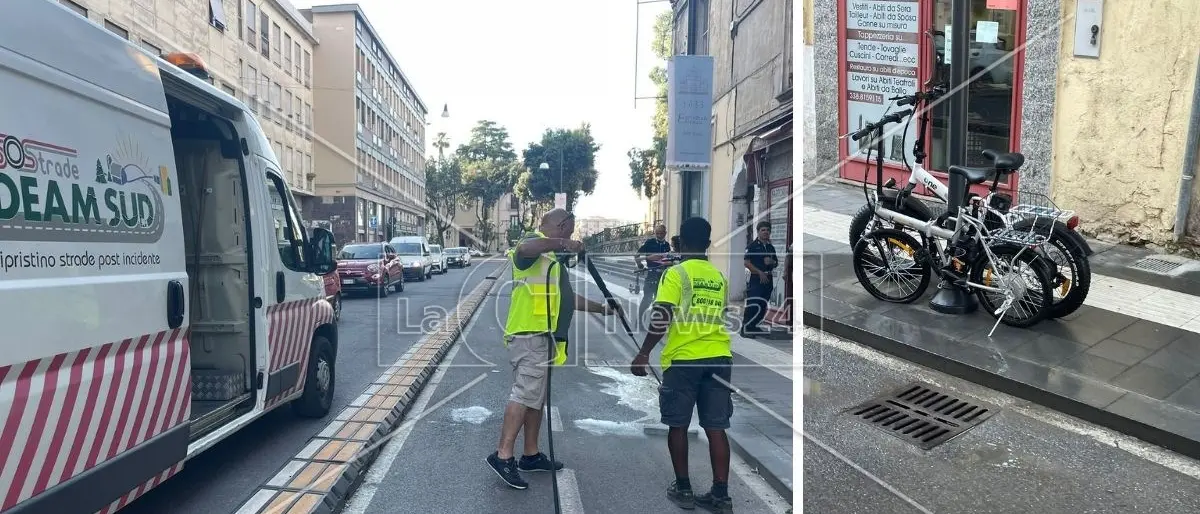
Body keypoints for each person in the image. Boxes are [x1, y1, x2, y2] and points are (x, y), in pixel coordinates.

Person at [486, 208, 614, 490]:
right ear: (562, 225)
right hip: (529, 334)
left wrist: (603, 309)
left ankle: (530, 455)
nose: (571, 235)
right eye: (570, 230)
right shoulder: (531, 245)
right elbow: (524, 249)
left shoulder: (551, 262)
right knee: (524, 394)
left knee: (535, 398)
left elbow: (568, 298)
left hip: (544, 339)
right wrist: (563, 244)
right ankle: (502, 456)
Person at [630, 217, 735, 513]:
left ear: (681, 244)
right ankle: (721, 496)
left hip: (684, 360)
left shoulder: (676, 274)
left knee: (678, 425)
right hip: (719, 359)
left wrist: (643, 353)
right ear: (708, 244)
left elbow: (662, 315)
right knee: (716, 428)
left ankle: (684, 489)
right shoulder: (719, 277)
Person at [742, 221, 778, 338]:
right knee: (753, 303)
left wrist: (772, 262)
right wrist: (759, 272)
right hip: (756, 278)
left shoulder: (770, 247)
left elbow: (776, 263)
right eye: (763, 230)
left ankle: (754, 326)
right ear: (758, 232)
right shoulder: (752, 246)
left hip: (768, 279)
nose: (766, 232)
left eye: (768, 230)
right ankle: (745, 329)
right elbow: (747, 263)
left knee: (763, 304)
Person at [634, 224, 673, 327]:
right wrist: (640, 265)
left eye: (661, 233)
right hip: (651, 275)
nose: (659, 235)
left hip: (662, 276)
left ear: (665, 233)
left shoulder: (667, 245)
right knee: (647, 299)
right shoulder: (649, 243)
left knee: (658, 300)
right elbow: (637, 255)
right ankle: (639, 322)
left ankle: (654, 324)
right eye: (657, 233)